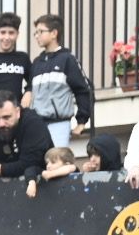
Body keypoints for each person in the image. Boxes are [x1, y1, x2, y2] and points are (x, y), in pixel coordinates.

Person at [29, 13, 92, 147]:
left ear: (54, 33)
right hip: (37, 125)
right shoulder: (36, 63)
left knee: (57, 160)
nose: (36, 36)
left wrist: (81, 122)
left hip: (58, 124)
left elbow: (83, 90)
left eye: (41, 31)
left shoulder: (67, 59)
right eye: (36, 32)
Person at [0, 90, 51, 184]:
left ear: (18, 112)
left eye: (6, 117)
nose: (1, 124)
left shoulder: (33, 123)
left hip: (41, 185)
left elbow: (30, 164)